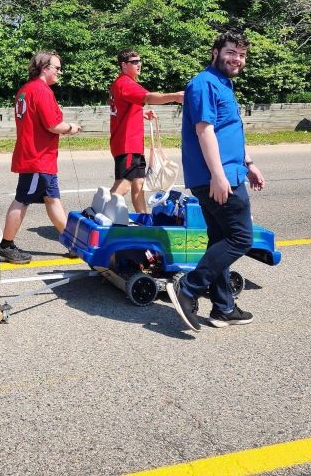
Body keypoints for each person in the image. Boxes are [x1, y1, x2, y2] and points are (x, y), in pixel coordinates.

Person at [167, 30, 266, 331]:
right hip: (217, 178)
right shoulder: (203, 84)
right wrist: (219, 176)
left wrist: (248, 163)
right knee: (240, 239)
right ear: (215, 52)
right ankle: (188, 288)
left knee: (220, 240)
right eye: (231, 52)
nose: (237, 59)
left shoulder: (224, 83)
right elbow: (205, 131)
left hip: (229, 172)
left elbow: (228, 130)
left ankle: (223, 308)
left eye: (242, 54)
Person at [0, 51, 82, 264]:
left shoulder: (25, 90)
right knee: (22, 199)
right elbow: (53, 125)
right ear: (45, 68)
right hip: (38, 158)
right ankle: (6, 246)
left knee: (52, 199)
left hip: (40, 158)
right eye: (57, 68)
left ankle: (72, 244)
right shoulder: (41, 91)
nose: (59, 72)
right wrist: (71, 127)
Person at [108, 48, 184, 213]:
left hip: (131, 144)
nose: (139, 64)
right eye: (134, 62)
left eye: (139, 61)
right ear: (123, 65)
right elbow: (149, 97)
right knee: (124, 184)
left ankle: (143, 219)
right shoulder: (125, 83)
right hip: (127, 144)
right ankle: (100, 218)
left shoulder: (121, 84)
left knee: (138, 183)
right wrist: (175, 96)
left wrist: (141, 113)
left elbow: (122, 109)